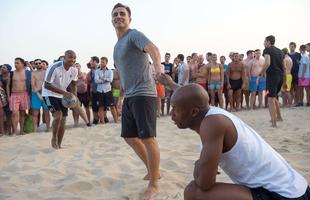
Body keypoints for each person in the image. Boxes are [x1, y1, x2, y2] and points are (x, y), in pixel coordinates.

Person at [158, 75, 310, 200]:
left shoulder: (212, 124)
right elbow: (189, 96)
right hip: (297, 187)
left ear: (193, 112)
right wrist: (171, 84)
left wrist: (199, 166)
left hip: (285, 196)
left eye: (175, 109)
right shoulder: (209, 111)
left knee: (193, 192)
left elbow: (204, 184)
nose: (171, 114)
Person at [112, 3, 162, 199]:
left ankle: (155, 183)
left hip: (144, 93)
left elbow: (153, 48)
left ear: (129, 19)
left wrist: (158, 66)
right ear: (111, 20)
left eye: (122, 13)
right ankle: (152, 169)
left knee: (148, 138)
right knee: (129, 137)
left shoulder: (134, 35)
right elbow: (124, 74)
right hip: (130, 95)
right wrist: (121, 96)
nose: (118, 16)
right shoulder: (117, 45)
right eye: (115, 14)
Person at [42, 50, 78, 149]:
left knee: (63, 120)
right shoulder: (54, 67)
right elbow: (46, 85)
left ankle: (59, 144)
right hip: (49, 94)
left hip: (63, 95)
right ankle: (54, 138)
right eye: (70, 57)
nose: (73, 60)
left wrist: (74, 98)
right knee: (58, 116)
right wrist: (65, 93)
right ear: (64, 57)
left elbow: (74, 84)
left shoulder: (74, 70)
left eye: (74, 58)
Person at [260, 35, 285, 127]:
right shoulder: (280, 51)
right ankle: (279, 117)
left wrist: (260, 73)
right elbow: (284, 66)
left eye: (265, 41)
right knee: (273, 97)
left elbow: (267, 62)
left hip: (272, 77)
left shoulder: (267, 50)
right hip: (280, 76)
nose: (264, 43)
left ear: (268, 42)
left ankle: (274, 123)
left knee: (270, 99)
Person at [6, 58, 31, 135]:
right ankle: (15, 131)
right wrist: (8, 96)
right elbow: (8, 85)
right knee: (14, 113)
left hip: (24, 94)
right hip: (14, 95)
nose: (15, 64)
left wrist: (30, 66)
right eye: (15, 63)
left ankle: (21, 130)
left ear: (23, 64)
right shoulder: (12, 73)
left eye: (17, 63)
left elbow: (34, 78)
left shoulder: (27, 72)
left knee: (23, 112)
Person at [95, 57, 118, 123]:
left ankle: (116, 121)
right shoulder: (97, 71)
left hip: (108, 91)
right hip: (100, 91)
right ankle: (102, 122)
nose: (101, 63)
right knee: (100, 107)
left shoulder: (110, 71)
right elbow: (96, 80)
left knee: (112, 106)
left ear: (106, 63)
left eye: (103, 62)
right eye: (101, 62)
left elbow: (110, 80)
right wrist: (105, 79)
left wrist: (102, 78)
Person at [31, 59, 50, 132]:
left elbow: (49, 83)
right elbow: (33, 85)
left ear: (42, 64)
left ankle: (48, 128)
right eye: (36, 63)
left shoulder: (47, 72)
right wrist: (38, 94)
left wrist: (44, 94)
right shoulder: (33, 73)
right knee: (35, 113)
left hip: (46, 93)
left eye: (39, 63)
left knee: (46, 112)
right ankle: (35, 129)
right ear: (35, 65)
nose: (38, 64)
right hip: (36, 94)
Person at [0, 64, 13, 135]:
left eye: (4, 68)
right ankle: (3, 131)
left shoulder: (11, 76)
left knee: (9, 115)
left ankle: (9, 131)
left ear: (8, 69)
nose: (2, 68)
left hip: (11, 96)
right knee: (2, 115)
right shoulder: (0, 77)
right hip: (2, 97)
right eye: (2, 67)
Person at [87, 56, 100, 124]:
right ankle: (95, 119)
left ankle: (103, 117)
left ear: (95, 61)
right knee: (94, 106)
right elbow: (89, 80)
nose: (90, 62)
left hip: (101, 90)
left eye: (91, 61)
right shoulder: (91, 71)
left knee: (101, 106)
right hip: (94, 91)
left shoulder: (101, 68)